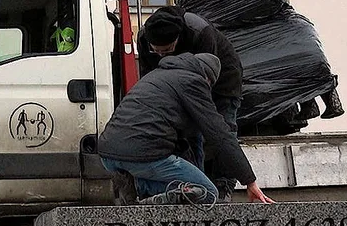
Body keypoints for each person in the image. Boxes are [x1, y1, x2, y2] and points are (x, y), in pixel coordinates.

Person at [99, 52, 274, 205]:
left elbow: (193, 139)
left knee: (190, 189)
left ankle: (136, 184)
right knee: (207, 193)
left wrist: (197, 173)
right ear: (208, 79)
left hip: (108, 153)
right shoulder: (193, 82)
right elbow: (220, 135)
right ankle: (139, 186)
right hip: (140, 154)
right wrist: (249, 181)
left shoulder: (157, 76)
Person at [137, 6, 243, 198]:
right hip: (180, 81)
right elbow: (148, 78)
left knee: (220, 129)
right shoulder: (144, 38)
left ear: (178, 39)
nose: (161, 55)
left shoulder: (200, 32)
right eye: (157, 51)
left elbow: (202, 91)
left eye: (167, 50)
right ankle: (193, 184)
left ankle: (223, 184)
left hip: (222, 80)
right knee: (183, 133)